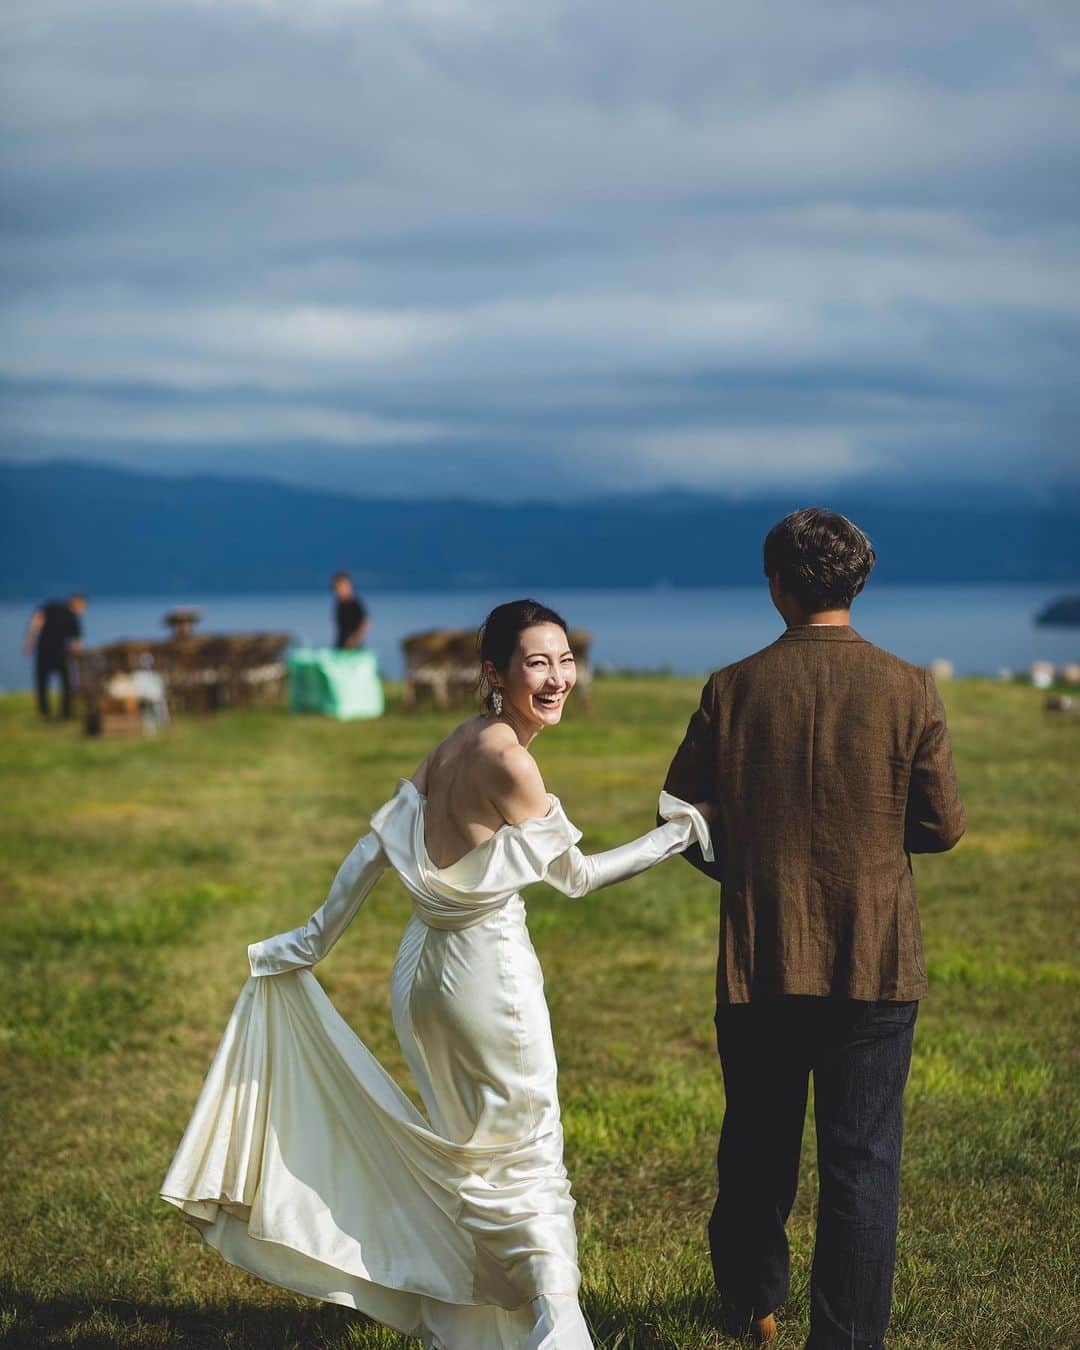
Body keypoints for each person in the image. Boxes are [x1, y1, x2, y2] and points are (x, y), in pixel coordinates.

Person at [162, 599, 712, 1350]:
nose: (556, 679)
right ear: (495, 673)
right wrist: (680, 832)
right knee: (528, 1151)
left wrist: (309, 943)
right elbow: (576, 877)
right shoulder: (509, 758)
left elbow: (371, 852)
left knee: (472, 1154)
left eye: (564, 660)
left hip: (419, 979)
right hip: (486, 981)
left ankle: (483, 1318)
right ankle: (558, 1323)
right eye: (536, 663)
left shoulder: (456, 742)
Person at [663, 509, 965, 1350]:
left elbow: (679, 810)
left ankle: (752, 1305)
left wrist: (741, 864)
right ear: (857, 582)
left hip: (761, 955)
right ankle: (845, 1338)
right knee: (862, 1165)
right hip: (874, 956)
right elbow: (941, 827)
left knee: (755, 1150)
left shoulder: (732, 687)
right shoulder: (908, 686)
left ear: (777, 585)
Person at [22, 592, 88, 720]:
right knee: (65, 682)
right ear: (76, 602)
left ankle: (46, 713)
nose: (83, 610)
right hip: (57, 652)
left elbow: (36, 621)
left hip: (44, 650)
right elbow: (76, 644)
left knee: (43, 682)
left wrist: (29, 641)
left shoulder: (54, 607)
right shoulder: (68, 615)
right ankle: (65, 712)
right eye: (83, 606)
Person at [331, 571, 369, 649]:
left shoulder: (355, 603)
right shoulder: (339, 604)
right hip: (340, 644)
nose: (338, 591)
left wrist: (355, 639)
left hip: (353, 647)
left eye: (340, 587)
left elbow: (365, 621)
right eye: (336, 588)